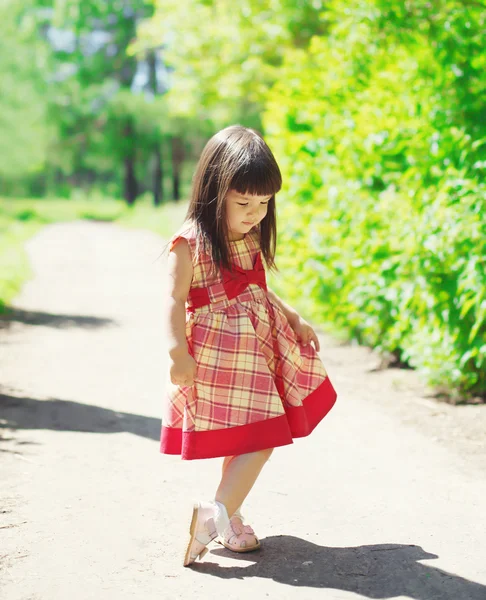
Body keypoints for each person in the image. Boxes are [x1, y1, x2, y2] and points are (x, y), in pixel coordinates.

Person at [159, 125, 337, 567]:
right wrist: (176, 353)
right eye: (244, 203)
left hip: (256, 351)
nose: (255, 213)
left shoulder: (249, 237)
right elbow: (174, 299)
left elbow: (256, 287)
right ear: (214, 190)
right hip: (220, 357)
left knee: (248, 439)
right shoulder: (190, 243)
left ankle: (230, 515)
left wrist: (292, 316)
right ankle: (213, 513)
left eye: (264, 203)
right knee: (261, 438)